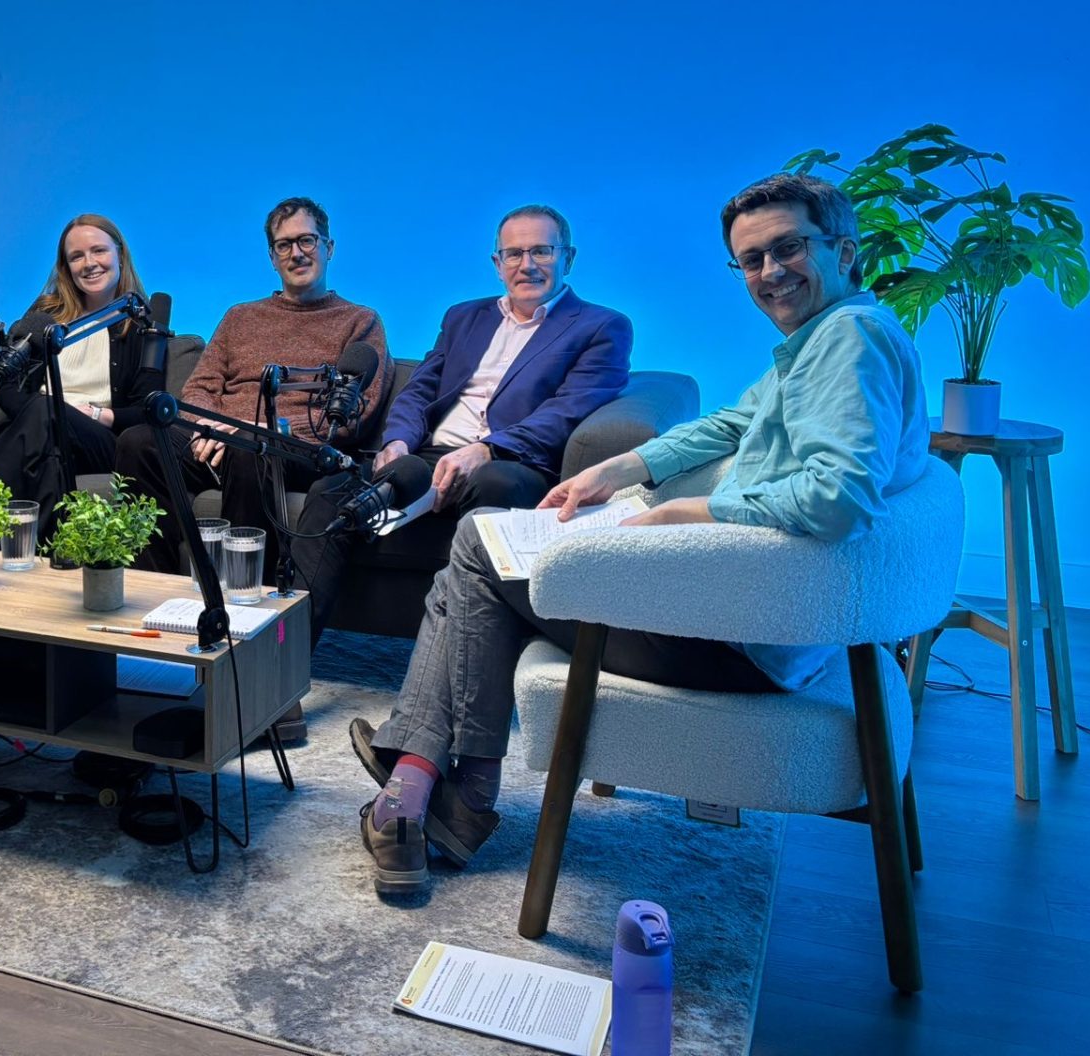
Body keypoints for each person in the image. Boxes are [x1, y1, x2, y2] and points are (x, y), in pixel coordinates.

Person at [351, 173, 930, 894]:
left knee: (475, 546)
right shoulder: (826, 338)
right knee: (481, 565)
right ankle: (431, 782)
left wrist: (684, 515)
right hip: (747, 611)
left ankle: (432, 783)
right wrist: (622, 469)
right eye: (751, 260)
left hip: (739, 636)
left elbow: (838, 499)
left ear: (844, 249)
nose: (769, 273)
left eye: (787, 249)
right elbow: (733, 423)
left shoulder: (850, 342)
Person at [288, 205, 631, 647]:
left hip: (510, 461)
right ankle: (286, 666)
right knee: (331, 490)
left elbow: (566, 411)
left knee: (496, 485)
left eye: (541, 251)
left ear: (569, 257)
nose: (526, 265)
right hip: (428, 458)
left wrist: (488, 448)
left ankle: (454, 661)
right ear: (497, 263)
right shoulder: (464, 317)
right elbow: (419, 389)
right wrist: (396, 442)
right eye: (513, 254)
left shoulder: (602, 327)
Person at [113, 197, 389, 578]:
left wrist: (262, 432)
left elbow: (359, 412)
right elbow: (200, 388)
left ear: (329, 247)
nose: (297, 253)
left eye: (307, 241)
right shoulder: (240, 316)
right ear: (272, 257)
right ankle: (153, 584)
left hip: (290, 450)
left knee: (253, 452)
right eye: (284, 245)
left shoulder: (361, 321)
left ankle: (242, 601)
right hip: (217, 442)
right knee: (140, 442)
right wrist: (204, 429)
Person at [0, 215, 166, 516]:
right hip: (43, 429)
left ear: (119, 254)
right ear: (66, 268)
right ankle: (43, 549)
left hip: (98, 439)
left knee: (45, 409)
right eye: (76, 256)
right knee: (47, 440)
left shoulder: (143, 327)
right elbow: (9, 390)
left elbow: (147, 409)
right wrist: (50, 411)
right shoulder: (45, 314)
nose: (88, 263)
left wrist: (96, 414)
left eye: (98, 251)